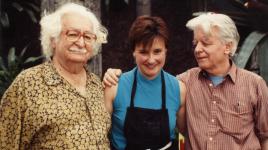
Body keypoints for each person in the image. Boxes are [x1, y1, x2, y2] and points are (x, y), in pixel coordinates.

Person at [103, 13, 268, 149]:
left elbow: (266, 136)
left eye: (206, 43)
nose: (197, 49)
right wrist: (113, 73)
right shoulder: (184, 82)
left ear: (228, 46)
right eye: (195, 43)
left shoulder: (255, 84)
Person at [0, 3, 111, 149]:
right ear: (53, 39)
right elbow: (5, 141)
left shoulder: (97, 84)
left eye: (88, 36)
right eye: (73, 34)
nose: (81, 42)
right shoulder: (27, 84)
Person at [104, 16, 186, 150]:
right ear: (134, 52)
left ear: (166, 50)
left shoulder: (179, 89)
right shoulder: (114, 87)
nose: (151, 59)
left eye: (157, 51)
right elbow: (97, 136)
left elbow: (189, 134)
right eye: (143, 52)